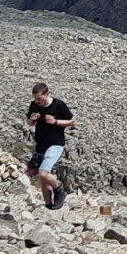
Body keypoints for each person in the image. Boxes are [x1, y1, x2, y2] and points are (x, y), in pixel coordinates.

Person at [24, 80, 75, 210]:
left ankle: (59, 190)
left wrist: (55, 121)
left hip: (55, 144)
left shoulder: (59, 105)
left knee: (43, 173)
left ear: (47, 94)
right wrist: (31, 120)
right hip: (40, 145)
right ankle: (48, 206)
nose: (37, 101)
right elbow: (29, 123)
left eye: (39, 98)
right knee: (43, 179)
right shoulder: (34, 105)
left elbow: (72, 122)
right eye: (35, 99)